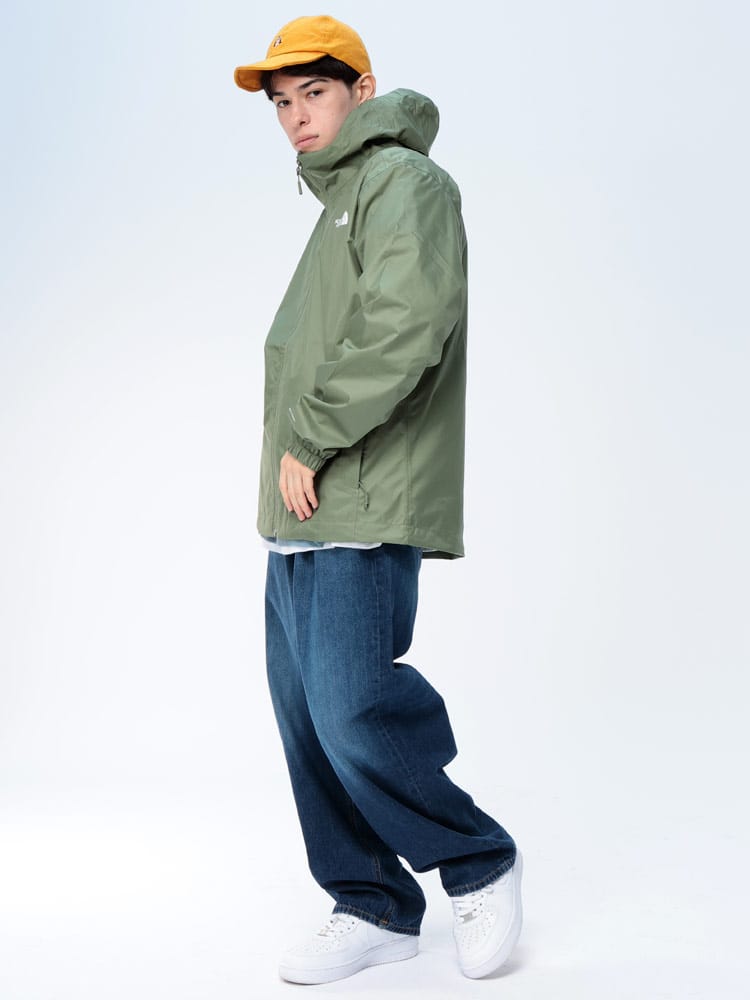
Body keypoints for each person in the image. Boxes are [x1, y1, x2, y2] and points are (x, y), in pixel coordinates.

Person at [234, 15, 523, 985]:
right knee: (308, 719)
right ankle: (372, 902)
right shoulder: (339, 205)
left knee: (355, 707)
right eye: (282, 103)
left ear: (362, 90)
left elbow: (407, 324)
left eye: (314, 93)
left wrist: (313, 434)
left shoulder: (404, 183)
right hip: (301, 513)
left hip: (358, 491)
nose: (295, 116)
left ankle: (478, 860)